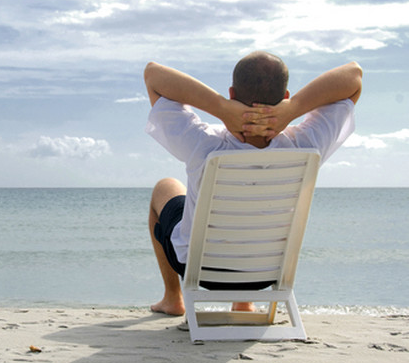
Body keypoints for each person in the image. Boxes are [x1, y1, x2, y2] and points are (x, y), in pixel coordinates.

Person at [144, 51, 363, 316]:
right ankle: (245, 302)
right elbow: (354, 77)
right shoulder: (306, 146)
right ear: (284, 96)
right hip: (266, 272)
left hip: (200, 269)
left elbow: (153, 74)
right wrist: (293, 109)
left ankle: (173, 299)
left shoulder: (204, 144)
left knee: (165, 186)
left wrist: (220, 107)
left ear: (232, 93)